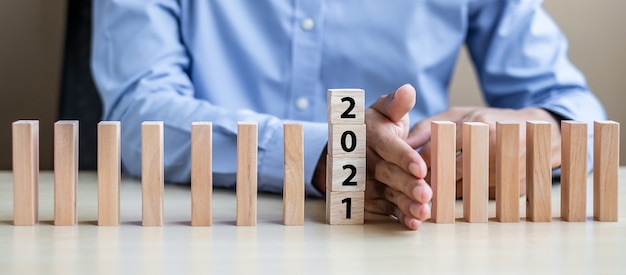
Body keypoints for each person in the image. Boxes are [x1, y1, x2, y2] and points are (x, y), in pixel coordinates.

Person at [91, 1, 606, 230]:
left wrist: (543, 132)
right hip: (198, 235)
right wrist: (324, 157)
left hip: (409, 225)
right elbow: (135, 115)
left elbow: (576, 108)